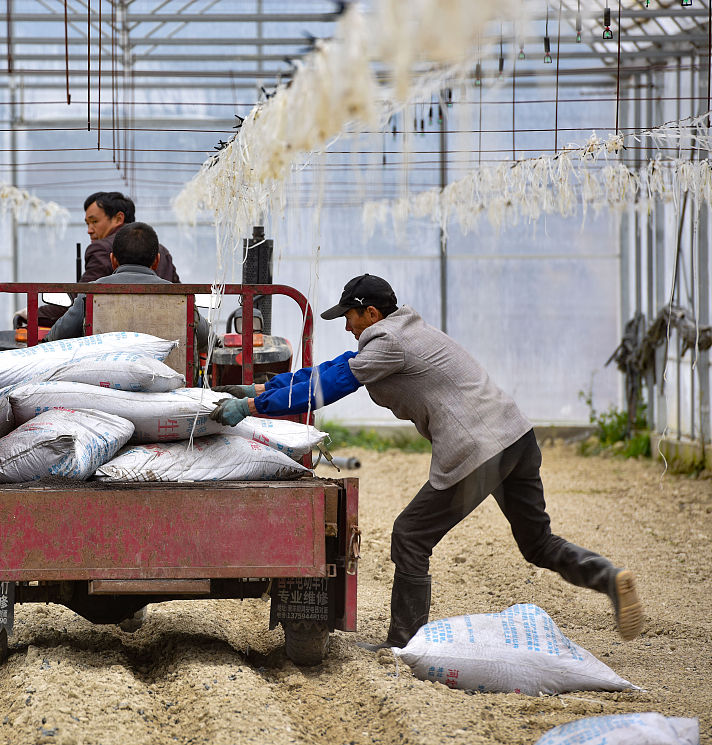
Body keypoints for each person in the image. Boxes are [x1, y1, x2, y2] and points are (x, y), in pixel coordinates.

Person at [210, 273, 645, 649]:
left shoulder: (388, 344)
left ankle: (404, 644)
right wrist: (262, 391)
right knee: (538, 543)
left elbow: (328, 387)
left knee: (410, 535)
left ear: (371, 314)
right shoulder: (401, 333)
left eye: (350, 316)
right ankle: (609, 578)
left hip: (478, 450)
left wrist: (250, 410)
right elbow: (327, 370)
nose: (346, 325)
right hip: (516, 438)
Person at [43, 222, 209, 348]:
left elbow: (55, 338)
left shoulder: (90, 293)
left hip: (103, 382)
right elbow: (206, 339)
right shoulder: (179, 297)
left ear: (113, 260)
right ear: (157, 261)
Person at [80, 192, 180, 283]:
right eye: (87, 224)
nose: (89, 230)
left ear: (119, 218)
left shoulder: (101, 248)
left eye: (94, 221)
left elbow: (85, 292)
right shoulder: (162, 251)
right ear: (156, 260)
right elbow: (179, 292)